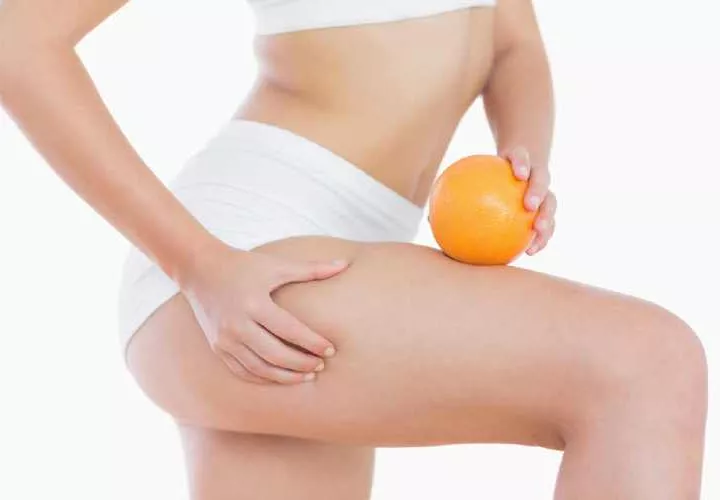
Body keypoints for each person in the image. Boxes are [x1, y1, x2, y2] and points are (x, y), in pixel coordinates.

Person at [0, 0, 708, 499]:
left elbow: (510, 37)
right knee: (647, 364)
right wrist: (200, 266)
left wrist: (523, 154)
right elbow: (16, 42)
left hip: (325, 265)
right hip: (249, 260)